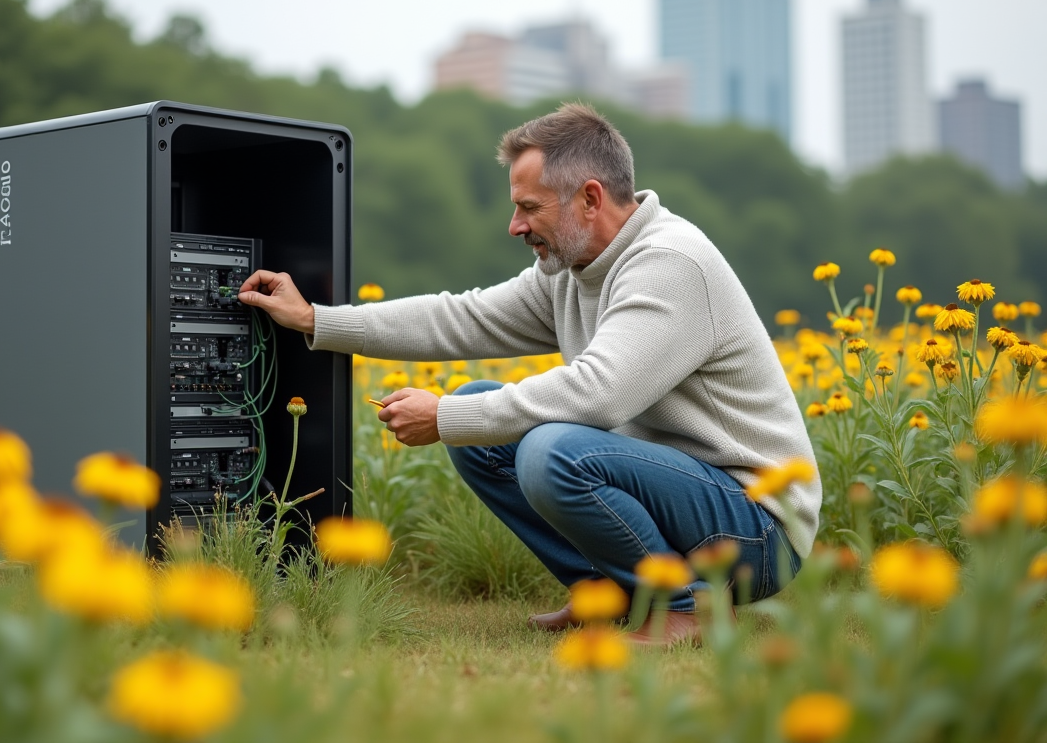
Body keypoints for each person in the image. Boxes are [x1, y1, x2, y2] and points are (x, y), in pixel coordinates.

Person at [237, 103, 820, 645]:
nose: (515, 225)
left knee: (550, 451)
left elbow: (598, 395)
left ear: (590, 198)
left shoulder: (669, 264)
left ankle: (687, 606)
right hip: (682, 497)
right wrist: (317, 318)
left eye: (530, 207)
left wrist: (444, 416)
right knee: (482, 413)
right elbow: (459, 319)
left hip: (758, 524)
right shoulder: (572, 269)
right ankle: (608, 591)